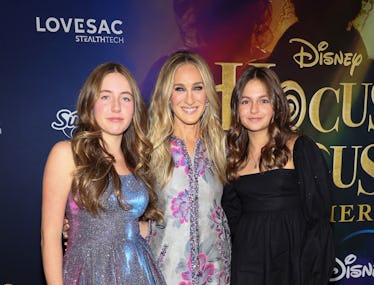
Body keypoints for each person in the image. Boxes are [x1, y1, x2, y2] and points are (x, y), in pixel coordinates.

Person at [41, 62, 165, 285]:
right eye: (105, 97)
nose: (116, 107)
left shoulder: (137, 160)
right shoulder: (66, 154)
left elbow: (134, 220)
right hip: (87, 274)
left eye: (125, 98)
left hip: (139, 272)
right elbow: (49, 236)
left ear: (134, 107)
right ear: (90, 103)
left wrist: (140, 229)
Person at [221, 66, 335, 285]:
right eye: (246, 101)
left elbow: (319, 219)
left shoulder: (299, 148)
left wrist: (312, 273)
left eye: (263, 100)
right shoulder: (232, 158)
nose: (254, 109)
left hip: (293, 262)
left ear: (276, 106)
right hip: (248, 263)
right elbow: (231, 219)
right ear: (236, 108)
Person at [147, 50, 231, 284]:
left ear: (207, 94)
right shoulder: (148, 149)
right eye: (179, 89)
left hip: (215, 273)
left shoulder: (222, 147)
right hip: (165, 272)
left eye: (197, 87)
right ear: (167, 95)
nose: (190, 99)